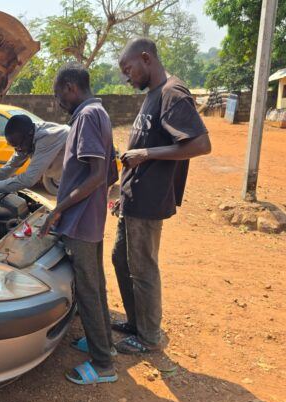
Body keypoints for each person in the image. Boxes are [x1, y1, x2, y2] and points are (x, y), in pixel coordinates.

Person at [111, 37, 211, 354]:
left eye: (128, 70)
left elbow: (200, 144)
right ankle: (136, 322)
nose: (127, 78)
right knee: (119, 259)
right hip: (132, 196)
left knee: (142, 269)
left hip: (149, 200)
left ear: (146, 59)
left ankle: (148, 337)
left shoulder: (172, 93)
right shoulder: (154, 94)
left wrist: (146, 153)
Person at [40, 62, 117, 385]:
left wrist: (59, 209)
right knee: (95, 284)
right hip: (92, 216)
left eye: (60, 94)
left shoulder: (85, 117)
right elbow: (110, 172)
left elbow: (97, 175)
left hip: (81, 219)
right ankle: (103, 342)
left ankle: (102, 365)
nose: (59, 102)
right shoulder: (99, 112)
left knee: (87, 288)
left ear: (71, 88)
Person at [0, 115, 69, 194]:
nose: (18, 149)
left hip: (80, 184)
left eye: (18, 145)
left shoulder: (48, 137)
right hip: (66, 182)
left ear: (30, 133)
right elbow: (10, 166)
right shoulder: (27, 137)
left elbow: (29, 179)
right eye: (14, 146)